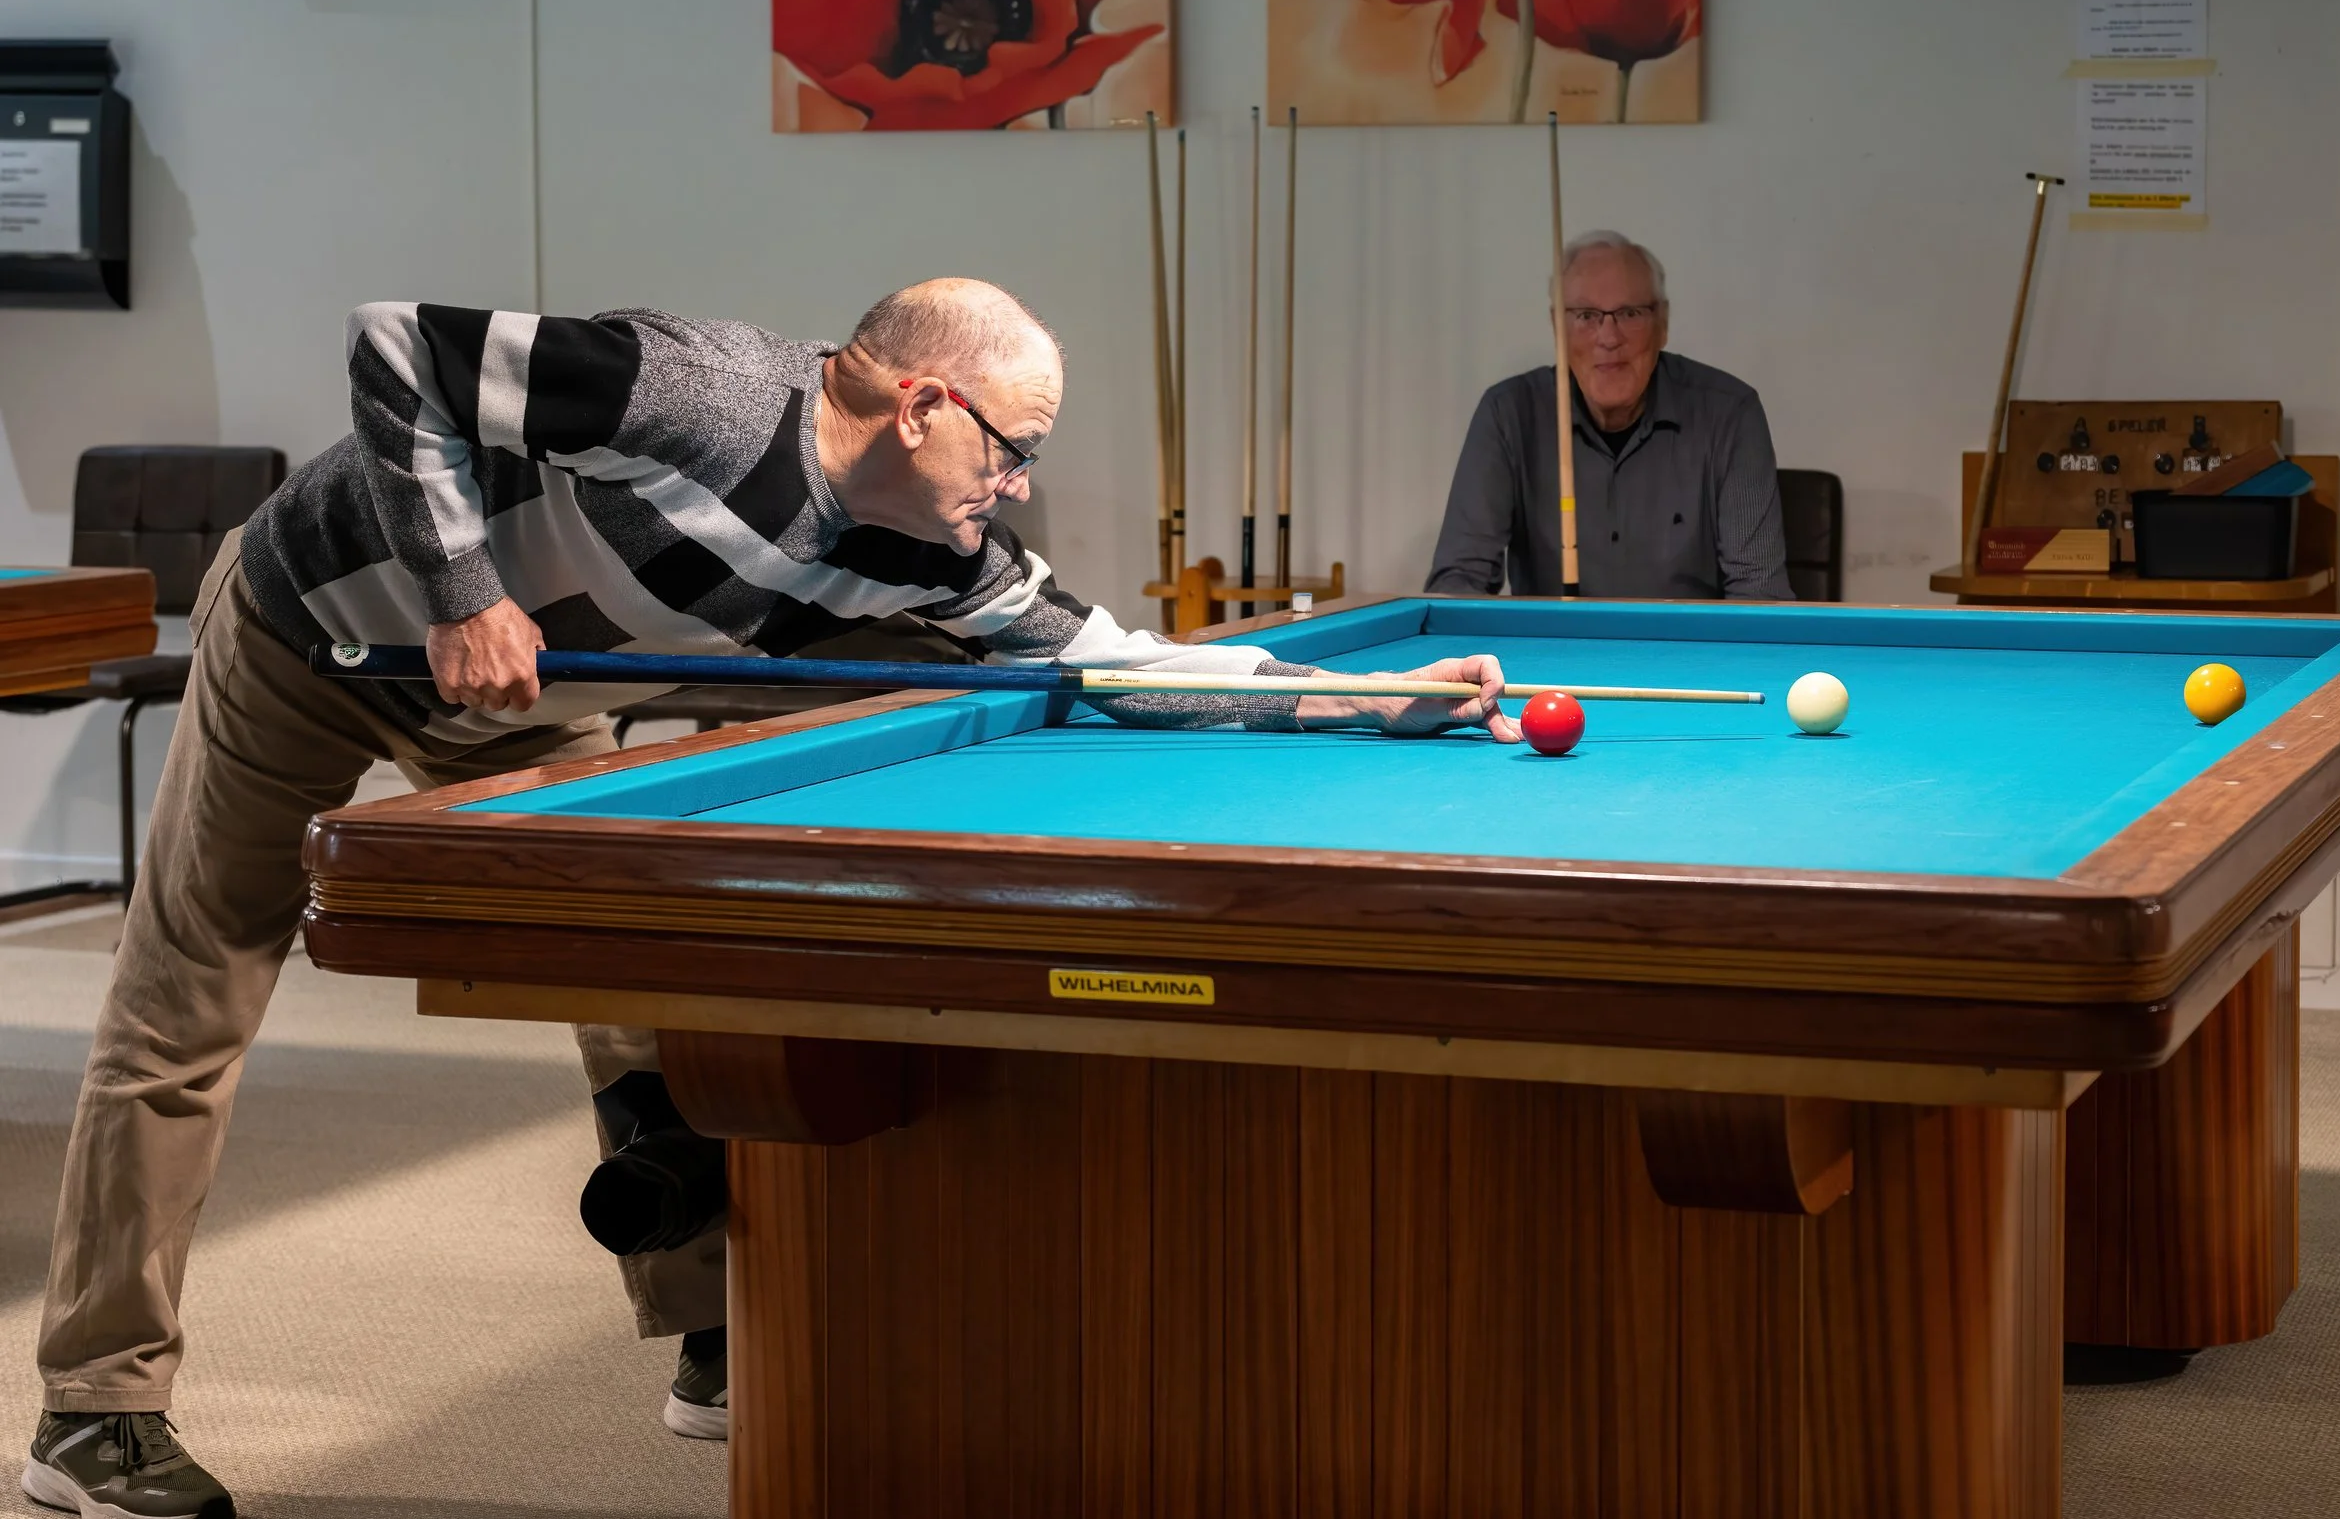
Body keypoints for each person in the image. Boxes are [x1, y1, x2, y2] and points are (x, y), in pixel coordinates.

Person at [24, 279, 1521, 1519]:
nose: (1016, 488)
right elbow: (398, 344)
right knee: (190, 1003)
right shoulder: (695, 394)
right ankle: (95, 1418)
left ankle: (711, 1336)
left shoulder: (930, 554)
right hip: (315, 632)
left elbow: (1118, 660)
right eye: (1010, 449)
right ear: (924, 401)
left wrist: (1360, 702)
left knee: (637, 986)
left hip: (532, 693)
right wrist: (465, 590)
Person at [1426, 230, 1792, 600]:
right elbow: (1457, 582)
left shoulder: (1730, 414)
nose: (1608, 337)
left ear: (1662, 323)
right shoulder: (1507, 415)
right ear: (1558, 328)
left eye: (1630, 313)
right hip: (1550, 654)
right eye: (1586, 315)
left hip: (1688, 655)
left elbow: (1759, 597)